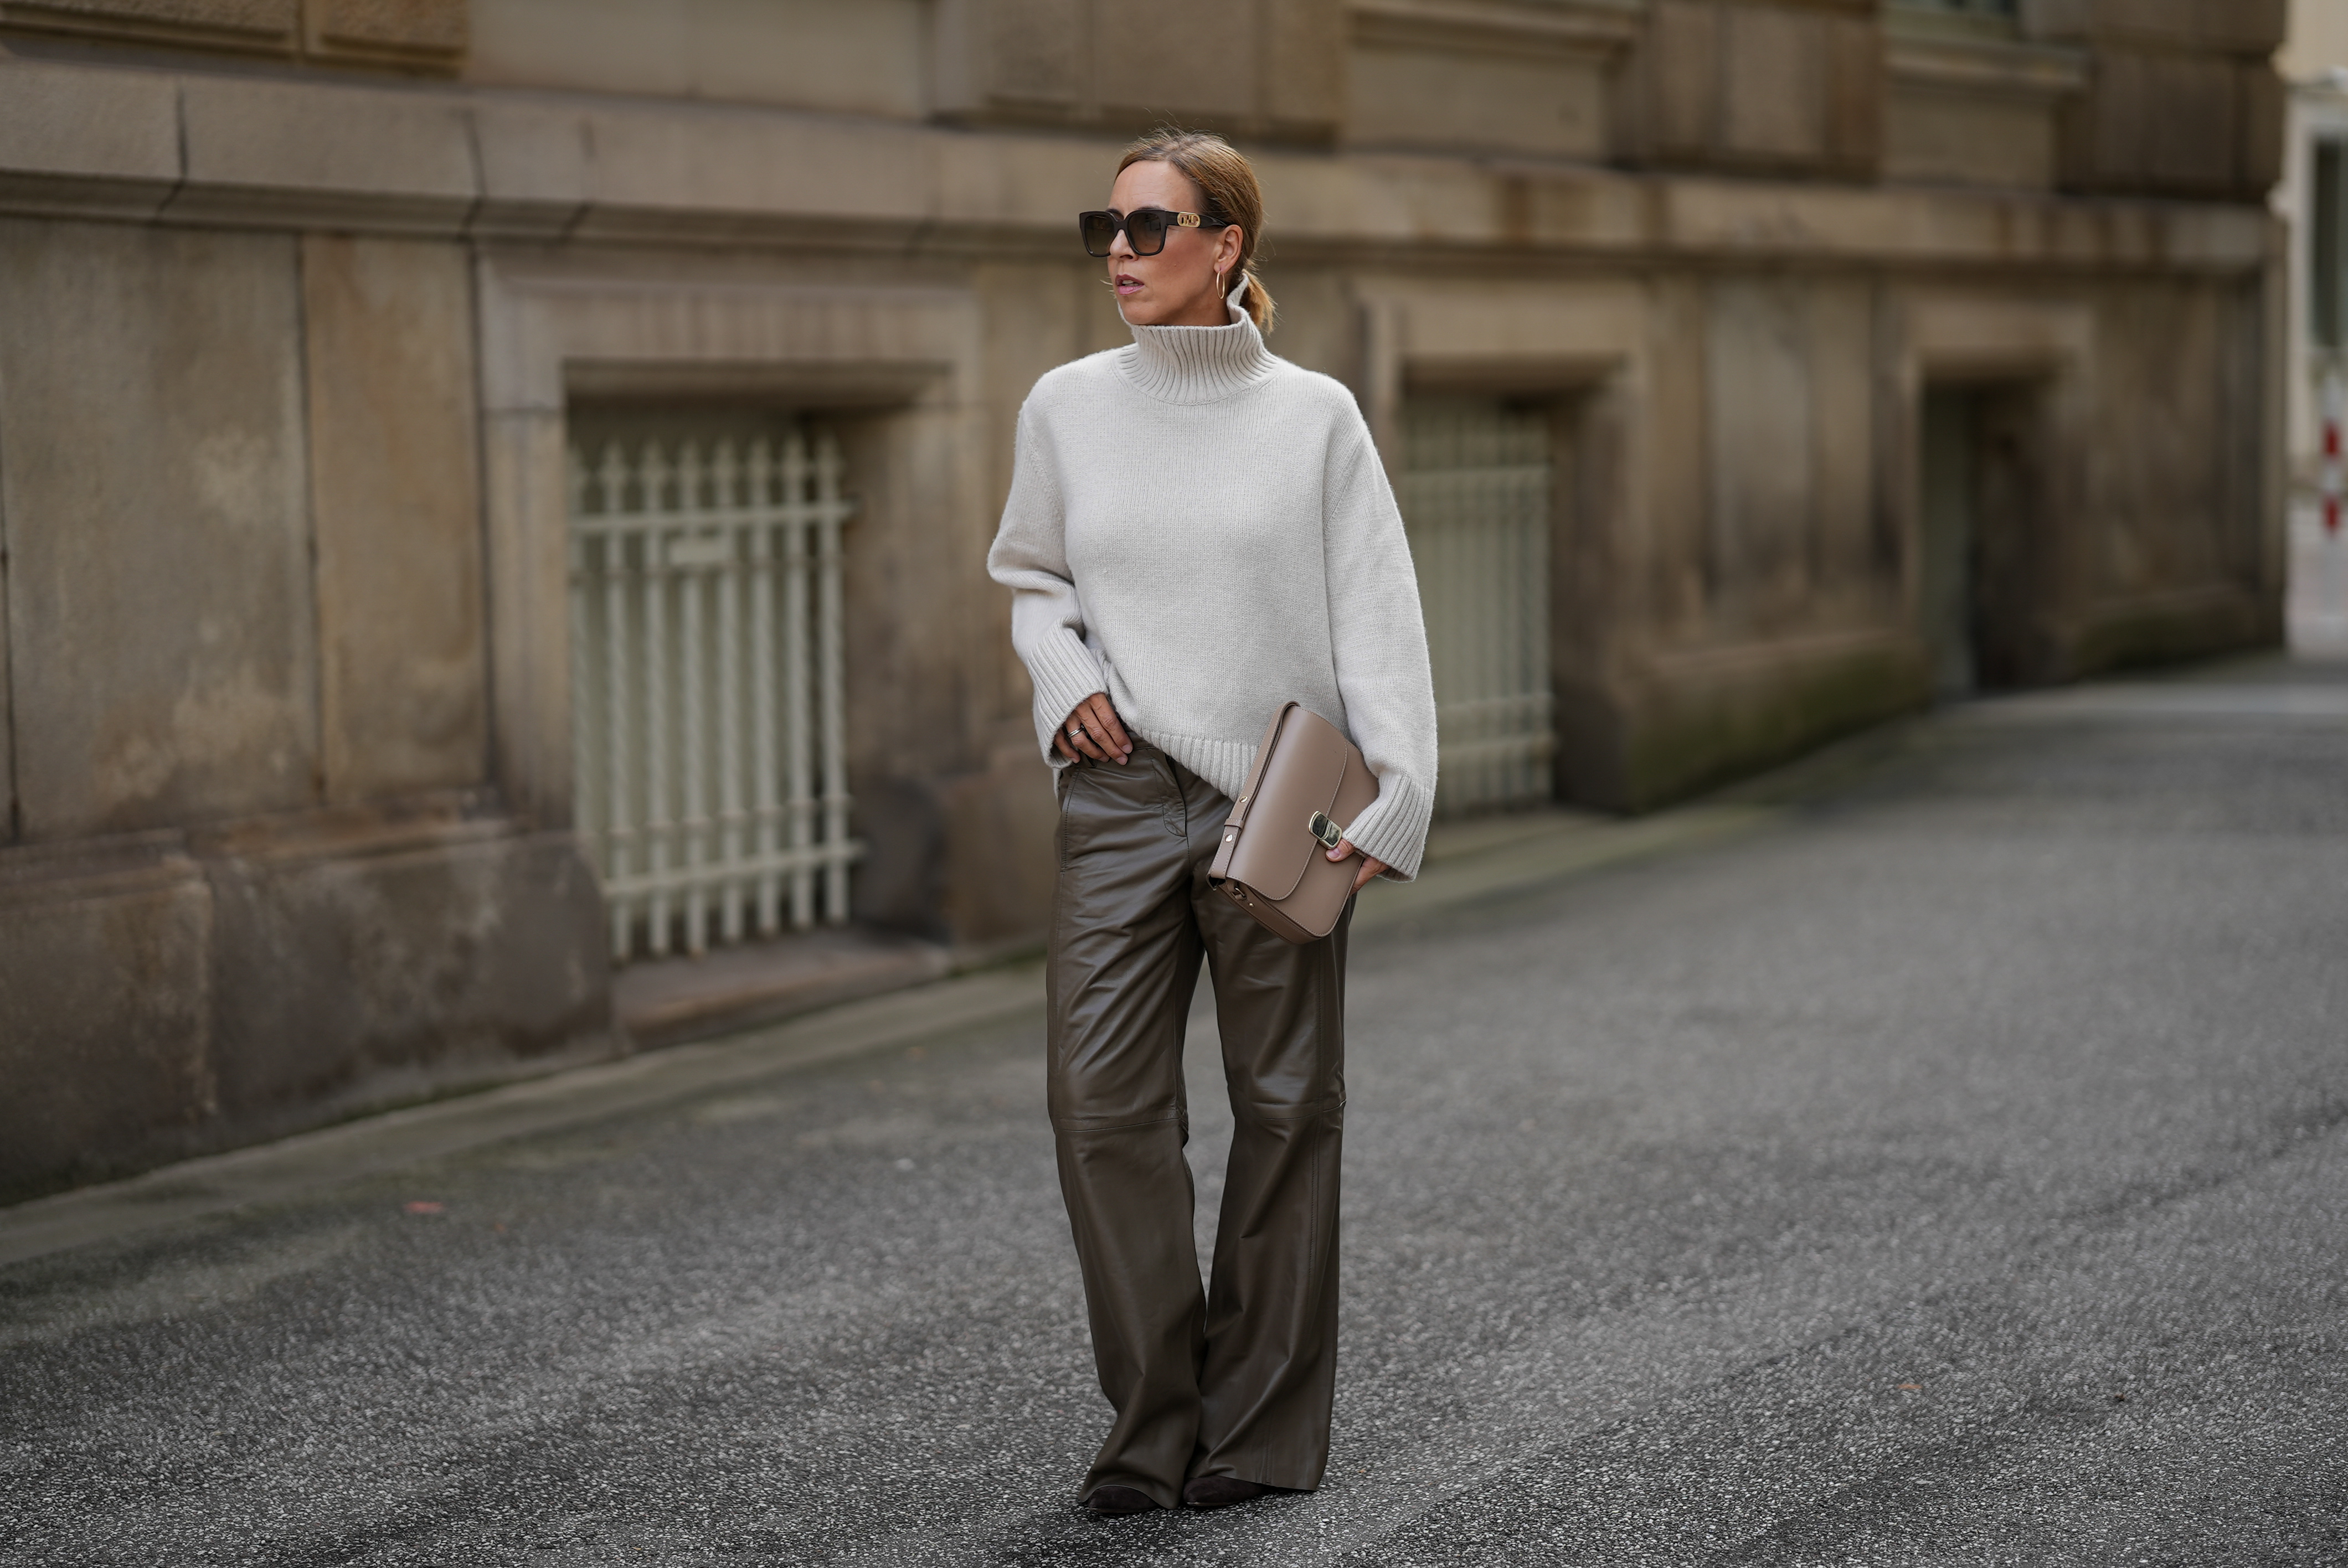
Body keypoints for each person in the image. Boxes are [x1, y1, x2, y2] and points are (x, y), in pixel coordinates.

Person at [986, 128, 1438, 1516]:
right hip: (1121, 796)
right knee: (1097, 1109)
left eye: (1146, 226)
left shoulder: (1314, 418)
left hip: (1274, 801)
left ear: (1224, 245)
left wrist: (1397, 790)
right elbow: (1028, 574)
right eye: (1103, 228)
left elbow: (1376, 614)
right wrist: (1060, 677)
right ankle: (1151, 1422)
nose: (1116, 252)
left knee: (1288, 1109)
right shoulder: (1065, 405)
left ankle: (1256, 1434)